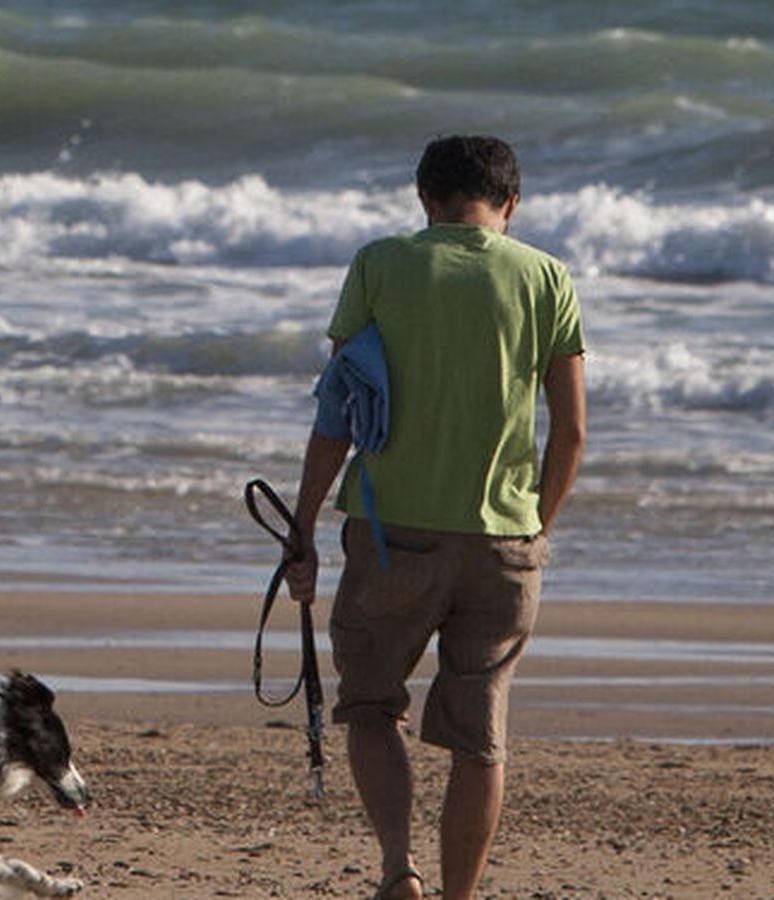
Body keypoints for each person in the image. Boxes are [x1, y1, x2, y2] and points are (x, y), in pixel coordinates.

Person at [285, 135, 587, 900]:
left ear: (425, 200)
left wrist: (303, 527)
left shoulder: (380, 265)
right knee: (480, 740)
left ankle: (398, 868)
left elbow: (340, 411)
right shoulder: (547, 277)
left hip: (393, 536)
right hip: (504, 538)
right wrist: (535, 526)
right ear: (510, 205)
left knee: (371, 704)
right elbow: (573, 431)